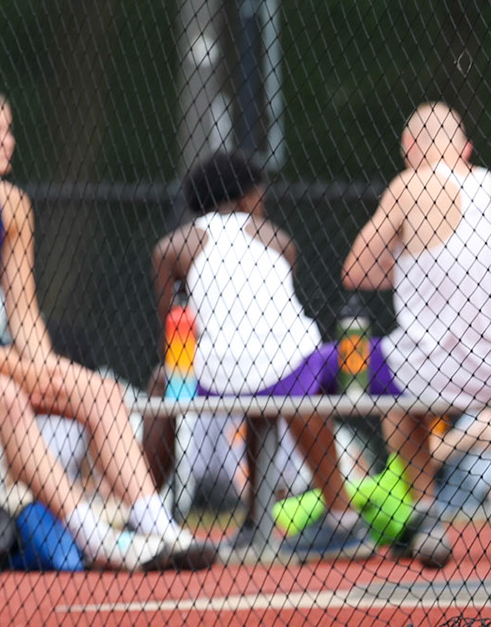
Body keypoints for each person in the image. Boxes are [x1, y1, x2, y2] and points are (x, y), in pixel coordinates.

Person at [0, 64, 215, 572]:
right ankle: (94, 538)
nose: (7, 142)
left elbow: (24, 312)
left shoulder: (12, 205)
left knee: (99, 392)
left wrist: (46, 370)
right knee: (9, 395)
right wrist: (22, 372)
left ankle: (158, 527)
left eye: (8, 130)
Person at [142, 151, 370, 559]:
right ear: (245, 197)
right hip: (292, 366)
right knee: (282, 374)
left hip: (218, 375)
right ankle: (342, 517)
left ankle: (141, 512)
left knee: (164, 381)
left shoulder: (172, 248)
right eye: (259, 193)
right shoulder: (279, 241)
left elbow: (170, 336)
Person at [338, 101, 490, 569]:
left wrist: (405, 262)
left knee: (386, 384)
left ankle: (425, 515)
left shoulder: (411, 185)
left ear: (410, 149)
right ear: (465, 149)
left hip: (430, 368)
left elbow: (357, 269)